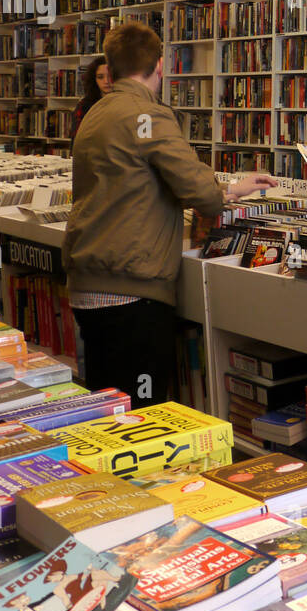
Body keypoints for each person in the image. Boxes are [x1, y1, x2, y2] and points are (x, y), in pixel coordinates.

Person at [64, 22, 275, 405]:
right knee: (142, 409)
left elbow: (138, 176)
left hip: (89, 284)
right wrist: (217, 193)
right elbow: (202, 198)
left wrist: (228, 187)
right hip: (131, 291)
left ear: (108, 71)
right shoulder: (148, 115)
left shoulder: (94, 114)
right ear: (160, 66)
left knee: (107, 405)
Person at [71, 55, 111, 140]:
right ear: (94, 79)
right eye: (100, 77)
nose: (106, 81)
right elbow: (77, 138)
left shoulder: (125, 103)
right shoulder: (84, 106)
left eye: (110, 76)